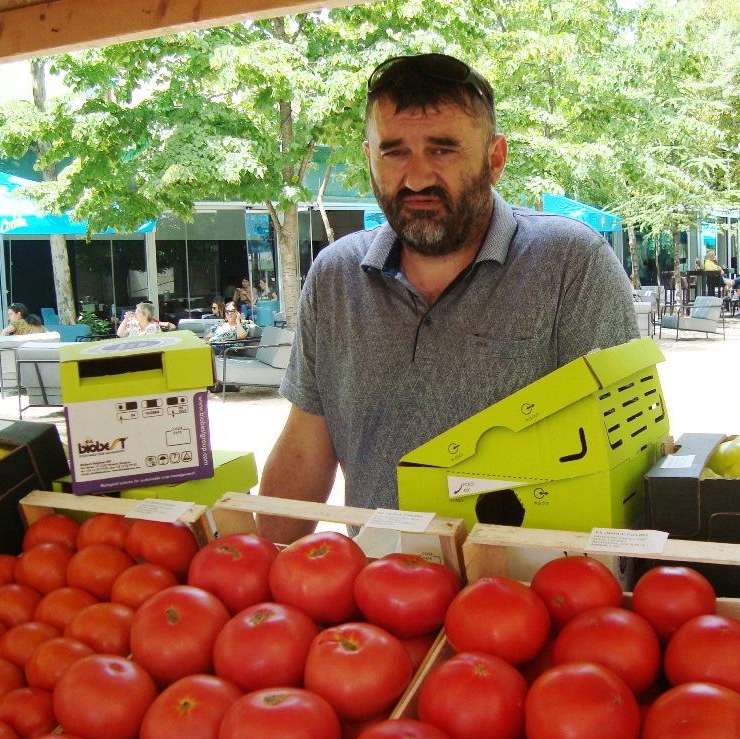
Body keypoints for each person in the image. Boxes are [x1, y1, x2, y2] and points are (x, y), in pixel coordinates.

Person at [260, 53, 637, 541]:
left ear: (495, 159)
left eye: (442, 150)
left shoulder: (571, 262)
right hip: (381, 597)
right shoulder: (335, 277)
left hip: (528, 595)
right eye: (394, 152)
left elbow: (623, 455)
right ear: (369, 157)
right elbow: (304, 449)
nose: (416, 178)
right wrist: (256, 566)